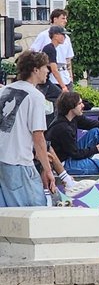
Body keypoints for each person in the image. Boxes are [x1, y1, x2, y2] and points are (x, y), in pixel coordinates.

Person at [0, 51, 57, 207]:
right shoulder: (35, 96)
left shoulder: (3, 91)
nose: (48, 71)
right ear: (35, 69)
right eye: (46, 67)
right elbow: (38, 137)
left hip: (2, 159)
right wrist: (48, 170)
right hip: (19, 162)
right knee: (34, 213)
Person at [30, 9, 74, 87]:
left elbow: (68, 59)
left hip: (65, 77)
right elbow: (33, 53)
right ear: (55, 19)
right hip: (50, 78)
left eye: (66, 18)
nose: (66, 21)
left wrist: (71, 77)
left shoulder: (67, 38)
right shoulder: (43, 35)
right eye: (63, 18)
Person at [40, 25, 72, 104]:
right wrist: (63, 86)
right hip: (43, 81)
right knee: (60, 97)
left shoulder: (51, 48)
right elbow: (54, 70)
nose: (64, 37)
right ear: (55, 36)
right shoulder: (50, 49)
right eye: (62, 35)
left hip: (44, 80)